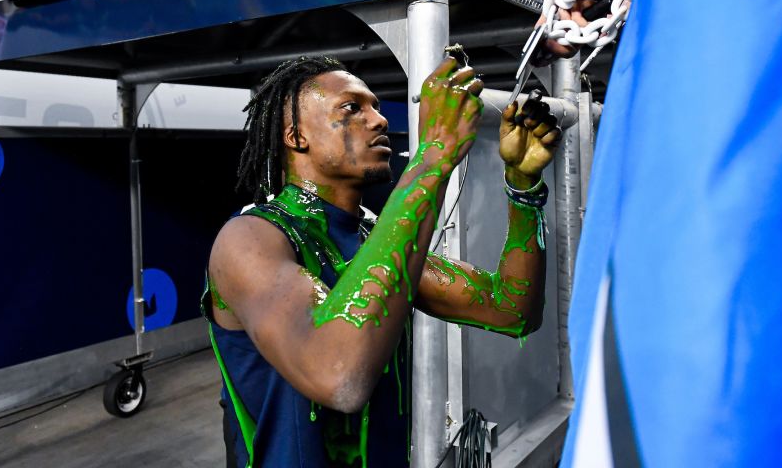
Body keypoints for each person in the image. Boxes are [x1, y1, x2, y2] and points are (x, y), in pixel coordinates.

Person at [203, 54, 562, 467]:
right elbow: (338, 377)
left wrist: (522, 187)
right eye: (352, 108)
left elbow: (511, 308)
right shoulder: (250, 238)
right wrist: (435, 154)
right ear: (296, 136)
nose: (379, 120)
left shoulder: (372, 237)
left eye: (375, 106)